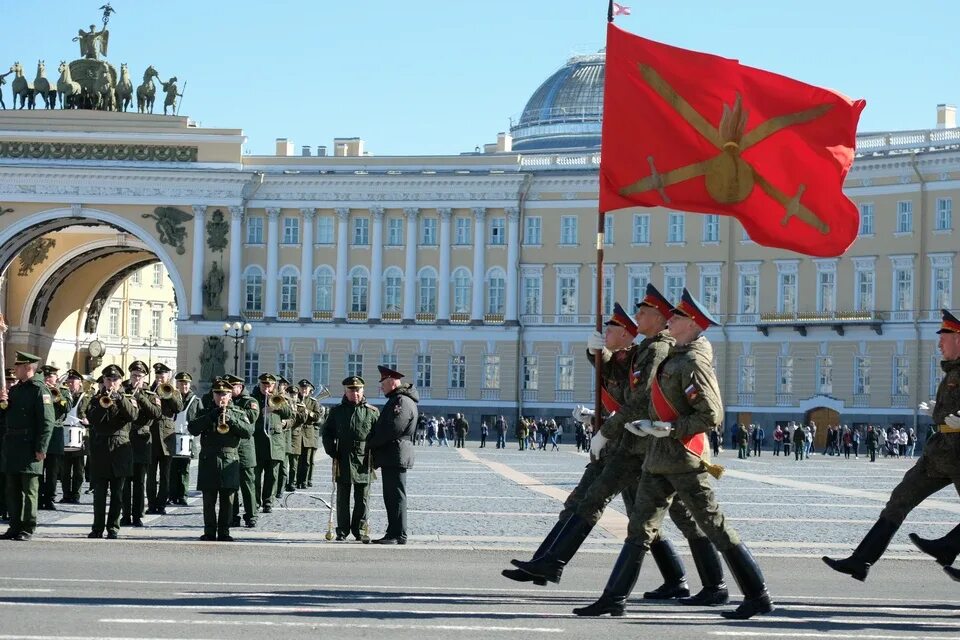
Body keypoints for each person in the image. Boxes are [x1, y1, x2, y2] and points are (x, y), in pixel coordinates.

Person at [570, 290, 773, 620]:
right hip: (656, 458)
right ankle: (613, 598)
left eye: (677, 317)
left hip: (682, 459)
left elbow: (711, 414)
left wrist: (670, 429)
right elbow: (644, 397)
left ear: (692, 325)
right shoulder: (672, 356)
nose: (671, 320)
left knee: (714, 526)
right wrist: (632, 424)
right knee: (639, 528)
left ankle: (757, 594)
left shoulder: (692, 362)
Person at [823, 308, 960, 582]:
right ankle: (860, 561)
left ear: (958, 337)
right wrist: (936, 412)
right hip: (940, 452)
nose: (938, 343)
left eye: (943, 337)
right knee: (899, 500)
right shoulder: (951, 372)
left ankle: (948, 546)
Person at [188, 378, 253, 541]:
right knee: (208, 500)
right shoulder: (205, 412)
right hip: (208, 459)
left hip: (229, 460)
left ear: (230, 395)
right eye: (218, 394)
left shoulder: (238, 412)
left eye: (224, 394)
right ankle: (209, 531)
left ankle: (224, 531)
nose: (221, 397)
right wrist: (211, 416)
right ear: (213, 395)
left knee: (227, 499)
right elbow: (193, 428)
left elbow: (248, 431)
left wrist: (231, 419)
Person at [0, 352, 56, 541]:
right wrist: (2, 403)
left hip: (29, 446)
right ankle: (14, 526)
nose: (15, 369)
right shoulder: (16, 390)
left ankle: (28, 526)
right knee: (12, 489)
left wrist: (42, 447)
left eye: (18, 366)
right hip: (13, 446)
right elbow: (6, 417)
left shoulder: (40, 390)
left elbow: (47, 422)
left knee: (29, 489)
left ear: (28, 367)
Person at [322, 376, 379, 541]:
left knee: (362, 498)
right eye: (351, 390)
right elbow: (327, 433)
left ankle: (359, 530)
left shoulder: (372, 412)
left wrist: (375, 454)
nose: (355, 393)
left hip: (364, 458)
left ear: (363, 391)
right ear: (345, 392)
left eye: (358, 390)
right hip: (343, 456)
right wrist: (332, 451)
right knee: (342, 497)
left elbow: (378, 435)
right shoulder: (337, 411)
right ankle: (342, 530)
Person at [85, 364, 138, 539]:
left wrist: (119, 398)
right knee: (99, 494)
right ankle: (97, 527)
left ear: (120, 381)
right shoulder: (95, 399)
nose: (112, 383)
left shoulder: (128, 398)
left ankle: (113, 527)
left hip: (120, 450)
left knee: (117, 493)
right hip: (100, 449)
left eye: (115, 380)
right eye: (108, 379)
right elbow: (92, 419)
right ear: (104, 381)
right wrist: (103, 404)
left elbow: (132, 416)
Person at [367, 365, 418, 544]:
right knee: (392, 495)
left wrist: (371, 443)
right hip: (393, 453)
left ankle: (397, 534)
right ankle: (393, 532)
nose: (381, 387)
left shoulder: (401, 401)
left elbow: (393, 428)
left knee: (395, 495)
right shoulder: (398, 399)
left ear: (392, 382)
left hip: (395, 453)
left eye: (383, 383)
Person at [121, 361, 161, 527]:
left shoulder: (151, 394)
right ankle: (125, 515)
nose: (136, 378)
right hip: (125, 440)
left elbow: (156, 413)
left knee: (139, 482)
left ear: (145, 377)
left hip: (142, 440)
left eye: (139, 376)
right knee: (124, 482)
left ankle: (137, 515)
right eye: (134, 375)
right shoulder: (122, 390)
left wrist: (141, 398)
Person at [251, 373, 291, 513]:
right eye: (264, 384)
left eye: (270, 384)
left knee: (272, 476)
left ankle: (268, 502)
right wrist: (260, 412)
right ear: (260, 384)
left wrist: (275, 406)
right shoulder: (253, 398)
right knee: (255, 476)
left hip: (275, 443)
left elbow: (289, 414)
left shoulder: (281, 398)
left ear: (274, 385)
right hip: (258, 442)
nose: (266, 387)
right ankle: (254, 502)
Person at [147, 363, 183, 515]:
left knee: (165, 475)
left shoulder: (174, 391)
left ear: (168, 376)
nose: (160, 378)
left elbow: (179, 408)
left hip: (167, 437)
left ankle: (161, 504)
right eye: (157, 375)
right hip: (151, 436)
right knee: (150, 475)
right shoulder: (149, 390)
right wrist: (154, 392)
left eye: (163, 375)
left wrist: (168, 395)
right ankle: (151, 503)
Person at [38, 365, 71, 510]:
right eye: (45, 376)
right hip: (40, 432)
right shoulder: (38, 390)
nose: (48, 379)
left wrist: (57, 395)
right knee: (39, 468)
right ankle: (38, 497)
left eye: (50, 376)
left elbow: (67, 407)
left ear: (56, 378)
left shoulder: (63, 391)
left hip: (55, 433)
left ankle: (50, 498)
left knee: (52, 470)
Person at [168, 372, 202, 506]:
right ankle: (172, 495)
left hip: (188, 437)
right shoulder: (172, 398)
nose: (184, 386)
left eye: (186, 383)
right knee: (171, 468)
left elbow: (200, 417)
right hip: (171, 436)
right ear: (177, 384)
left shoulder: (196, 401)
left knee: (184, 469)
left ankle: (182, 495)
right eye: (181, 383)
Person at [59, 369, 89, 504]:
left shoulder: (85, 397)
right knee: (64, 470)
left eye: (73, 382)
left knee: (78, 470)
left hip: (79, 437)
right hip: (65, 435)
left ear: (80, 383)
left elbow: (85, 412)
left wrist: (85, 419)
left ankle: (75, 495)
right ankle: (66, 494)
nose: (70, 384)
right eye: (69, 382)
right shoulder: (63, 396)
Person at [296, 379, 326, 489]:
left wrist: (307, 411)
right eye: (302, 388)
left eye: (306, 388)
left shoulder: (313, 402)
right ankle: (295, 481)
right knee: (296, 460)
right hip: (296, 433)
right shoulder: (295, 399)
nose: (304, 390)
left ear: (310, 389)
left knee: (307, 460)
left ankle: (304, 481)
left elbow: (318, 417)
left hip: (308, 434)